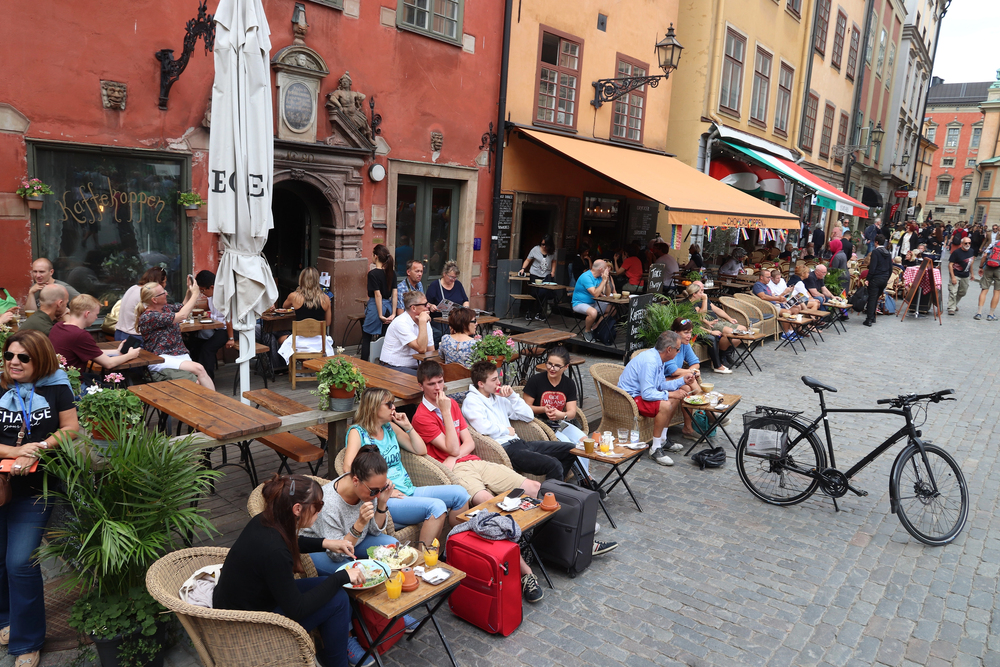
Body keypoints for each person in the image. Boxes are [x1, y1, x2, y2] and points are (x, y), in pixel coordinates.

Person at [408, 361, 549, 603]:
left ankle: (529, 543)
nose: (437, 388)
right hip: (456, 473)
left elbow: (469, 443)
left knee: (533, 487)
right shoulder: (423, 416)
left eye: (441, 382)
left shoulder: (452, 403)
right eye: (431, 384)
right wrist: (444, 415)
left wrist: (453, 456)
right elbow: (454, 444)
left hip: (473, 460)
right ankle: (525, 572)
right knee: (487, 504)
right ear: (421, 385)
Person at [213, 474, 367, 667]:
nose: (320, 511)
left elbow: (290, 541)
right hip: (248, 624)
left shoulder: (266, 520)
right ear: (297, 509)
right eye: (318, 507)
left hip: (249, 600)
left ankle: (332, 658)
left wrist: (327, 543)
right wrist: (342, 576)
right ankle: (336, 662)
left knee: (336, 593)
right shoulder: (275, 551)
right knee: (337, 598)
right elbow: (297, 609)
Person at [0, 330, 79, 667]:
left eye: (23, 357)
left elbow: (71, 427)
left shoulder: (56, 387)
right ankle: (6, 619)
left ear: (40, 358)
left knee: (19, 562)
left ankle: (27, 642)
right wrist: (17, 451)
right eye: (9, 355)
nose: (14, 362)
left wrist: (42, 447)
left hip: (36, 488)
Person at [342, 390, 469, 548]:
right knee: (437, 507)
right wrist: (382, 490)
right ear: (373, 407)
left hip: (409, 490)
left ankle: (454, 550)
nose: (393, 408)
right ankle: (424, 561)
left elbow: (420, 450)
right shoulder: (358, 432)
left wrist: (409, 427)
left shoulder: (389, 428)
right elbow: (348, 467)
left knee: (460, 493)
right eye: (389, 404)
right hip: (387, 499)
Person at [461, 360, 579, 481]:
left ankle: (556, 489)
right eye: (494, 380)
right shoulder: (472, 402)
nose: (498, 382)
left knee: (570, 450)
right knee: (553, 464)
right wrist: (506, 431)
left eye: (498, 378)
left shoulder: (498, 396)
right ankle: (551, 496)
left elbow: (528, 416)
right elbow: (483, 427)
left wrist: (512, 396)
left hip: (520, 443)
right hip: (503, 449)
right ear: (481, 384)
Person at [617, 331, 697, 466]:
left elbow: (660, 385)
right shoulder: (651, 362)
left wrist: (682, 381)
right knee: (667, 403)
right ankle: (655, 448)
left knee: (675, 396)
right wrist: (671, 394)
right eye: (677, 349)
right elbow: (647, 394)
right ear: (669, 350)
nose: (678, 352)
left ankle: (663, 439)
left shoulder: (658, 358)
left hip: (640, 394)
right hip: (630, 398)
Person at [136, 277, 216, 390]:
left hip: (178, 355)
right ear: (154, 300)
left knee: (198, 379)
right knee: (199, 369)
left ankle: (211, 405)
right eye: (163, 293)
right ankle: (216, 404)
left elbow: (183, 308)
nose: (166, 293)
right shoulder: (149, 316)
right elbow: (182, 315)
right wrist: (195, 294)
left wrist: (189, 291)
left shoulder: (165, 308)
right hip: (161, 359)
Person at [49, 295, 142, 372]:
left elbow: (91, 352)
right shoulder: (79, 335)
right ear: (87, 314)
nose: (96, 318)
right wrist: (130, 355)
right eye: (96, 314)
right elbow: (109, 363)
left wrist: (116, 352)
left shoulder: (58, 326)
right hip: (73, 386)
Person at [277, 268, 335, 364]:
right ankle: (307, 362)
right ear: (317, 281)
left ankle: (303, 362)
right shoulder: (326, 298)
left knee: (279, 338)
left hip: (299, 342)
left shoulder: (294, 296)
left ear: (301, 280)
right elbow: (328, 322)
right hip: (319, 343)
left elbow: (284, 306)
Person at [187, 271, 233, 380]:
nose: (202, 293)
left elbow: (229, 318)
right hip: (215, 327)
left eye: (203, 290)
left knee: (207, 349)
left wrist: (231, 338)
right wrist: (190, 308)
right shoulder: (211, 295)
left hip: (228, 329)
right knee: (194, 342)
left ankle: (208, 380)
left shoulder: (224, 296)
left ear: (212, 287)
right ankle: (195, 375)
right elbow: (207, 306)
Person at [685, 284, 740, 369]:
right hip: (692, 331)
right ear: (694, 294)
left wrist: (708, 322)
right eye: (701, 292)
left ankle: (725, 355)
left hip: (701, 326)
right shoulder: (688, 305)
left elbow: (699, 318)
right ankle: (718, 364)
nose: (703, 294)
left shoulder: (693, 301)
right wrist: (710, 331)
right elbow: (693, 325)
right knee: (713, 337)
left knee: (741, 332)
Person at [379, 290, 434, 374]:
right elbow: (422, 349)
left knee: (440, 375)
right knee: (425, 379)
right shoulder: (401, 322)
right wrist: (422, 322)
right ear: (413, 308)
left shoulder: (424, 320)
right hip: (393, 367)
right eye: (425, 304)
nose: (428, 306)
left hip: (415, 367)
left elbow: (430, 351)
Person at [361, 245, 396, 362]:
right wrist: (394, 314)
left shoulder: (373, 274)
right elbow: (394, 294)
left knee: (366, 337)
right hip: (389, 308)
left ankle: (363, 365)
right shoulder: (391, 273)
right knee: (385, 338)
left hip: (376, 307)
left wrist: (380, 314)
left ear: (376, 257)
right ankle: (383, 363)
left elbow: (377, 295)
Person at [116, 267, 168, 343]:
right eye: (165, 281)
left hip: (119, 333)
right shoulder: (147, 293)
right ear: (159, 282)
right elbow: (158, 318)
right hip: (134, 337)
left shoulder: (133, 288)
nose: (166, 285)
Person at [572, 259, 612, 342]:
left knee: (611, 309)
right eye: (606, 268)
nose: (607, 270)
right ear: (601, 269)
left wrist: (607, 282)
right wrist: (604, 280)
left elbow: (607, 294)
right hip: (579, 303)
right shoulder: (586, 277)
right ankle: (587, 331)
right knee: (593, 312)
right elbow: (595, 294)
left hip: (593, 303)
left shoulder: (599, 277)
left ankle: (595, 327)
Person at [519, 236, 557, 321]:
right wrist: (523, 268)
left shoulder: (553, 252)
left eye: (545, 244)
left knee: (543, 294)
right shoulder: (535, 249)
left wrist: (553, 272)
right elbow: (528, 260)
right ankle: (529, 311)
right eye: (542, 244)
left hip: (546, 274)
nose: (543, 246)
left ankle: (539, 313)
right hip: (535, 273)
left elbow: (554, 261)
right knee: (534, 293)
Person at [863, 234, 893, 327]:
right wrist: (886, 278)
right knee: (876, 298)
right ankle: (873, 317)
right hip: (884, 278)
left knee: (872, 298)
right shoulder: (888, 253)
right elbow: (891, 268)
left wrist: (868, 279)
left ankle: (869, 319)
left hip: (876, 278)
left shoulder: (875, 252)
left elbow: (873, 267)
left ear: (876, 242)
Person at [947, 235, 975, 316]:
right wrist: (953, 277)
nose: (967, 244)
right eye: (966, 243)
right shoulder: (956, 252)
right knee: (953, 291)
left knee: (963, 292)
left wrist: (972, 273)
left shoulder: (971, 251)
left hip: (965, 275)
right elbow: (950, 264)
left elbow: (971, 263)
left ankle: (954, 304)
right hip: (956, 274)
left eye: (969, 243)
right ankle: (951, 308)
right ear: (962, 243)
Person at [975, 234, 1000, 321]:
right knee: (997, 292)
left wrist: (981, 267)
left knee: (984, 290)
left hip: (989, 267)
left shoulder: (995, 243)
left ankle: (979, 313)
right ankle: (991, 314)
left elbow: (985, 255)